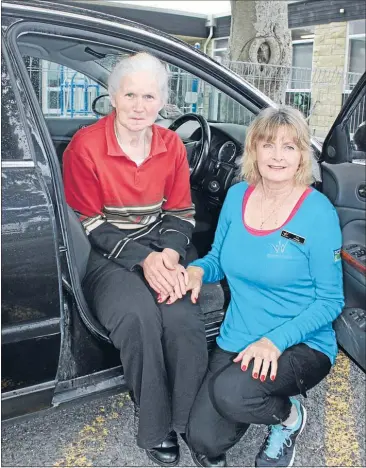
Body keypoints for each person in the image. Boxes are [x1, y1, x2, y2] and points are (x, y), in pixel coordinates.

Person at [162, 106, 344, 467]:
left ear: (302, 156)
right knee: (202, 440)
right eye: (268, 144)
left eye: (289, 147)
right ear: (254, 150)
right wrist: (197, 271)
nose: (277, 155)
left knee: (232, 392)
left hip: (299, 342)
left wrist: (274, 341)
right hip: (239, 336)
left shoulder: (317, 212)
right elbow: (218, 257)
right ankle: (258, 399)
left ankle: (289, 420)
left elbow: (330, 300)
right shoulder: (237, 196)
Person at [63, 52, 208, 467]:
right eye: (130, 94)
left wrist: (168, 254)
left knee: (182, 315)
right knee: (138, 316)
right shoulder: (85, 146)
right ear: (113, 95)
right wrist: (144, 261)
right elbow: (88, 223)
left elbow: (181, 212)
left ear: (163, 100)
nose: (140, 106)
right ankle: (156, 425)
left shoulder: (171, 145)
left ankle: (191, 421)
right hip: (103, 253)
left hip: (160, 244)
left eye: (149, 96)